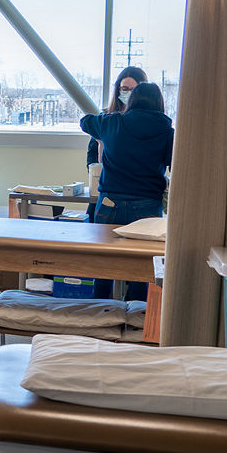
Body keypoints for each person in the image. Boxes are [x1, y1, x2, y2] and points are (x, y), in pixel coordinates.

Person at [80, 81, 173, 300]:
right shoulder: (167, 131)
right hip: (147, 205)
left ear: (132, 100)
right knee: (141, 268)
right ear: (159, 103)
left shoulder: (113, 122)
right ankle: (134, 320)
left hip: (110, 202)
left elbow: (85, 122)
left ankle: (99, 315)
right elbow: (172, 163)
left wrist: (106, 132)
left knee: (103, 264)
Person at [86, 66, 149, 170]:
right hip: (108, 179)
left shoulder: (150, 122)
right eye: (125, 89)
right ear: (118, 90)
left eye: (134, 90)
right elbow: (92, 156)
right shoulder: (105, 118)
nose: (129, 93)